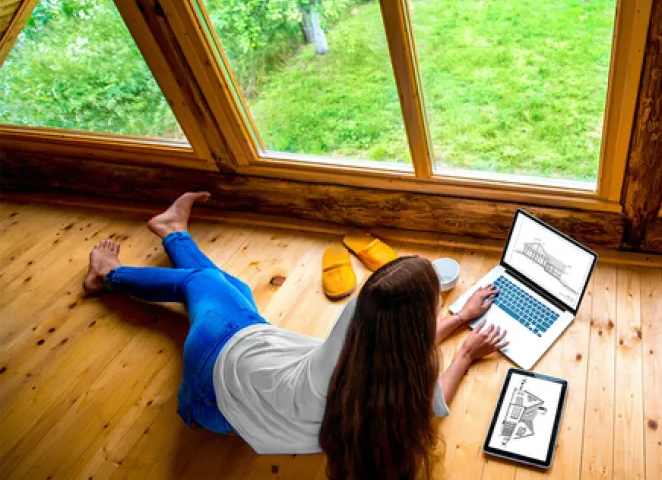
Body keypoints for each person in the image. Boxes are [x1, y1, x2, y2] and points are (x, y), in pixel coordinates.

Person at [83, 191, 508, 479]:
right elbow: (432, 399)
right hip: (223, 383)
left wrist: (459, 324)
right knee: (215, 286)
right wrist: (464, 352)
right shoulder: (400, 388)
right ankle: (126, 263)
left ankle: (146, 248)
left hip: (231, 378)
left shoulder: (359, 324)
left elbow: (400, 343)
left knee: (214, 286)